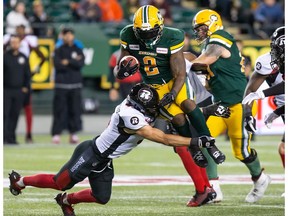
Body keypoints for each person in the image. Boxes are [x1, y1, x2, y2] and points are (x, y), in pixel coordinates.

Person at [8, 83, 218, 216]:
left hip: (104, 161)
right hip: (91, 153)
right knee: (58, 182)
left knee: (101, 197)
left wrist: (207, 110)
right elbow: (161, 137)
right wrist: (195, 142)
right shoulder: (130, 114)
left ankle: (66, 200)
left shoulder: (137, 106)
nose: (154, 110)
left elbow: (175, 114)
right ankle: (20, 181)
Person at [114, 5, 225, 207]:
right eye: (143, 33)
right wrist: (121, 71)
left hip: (178, 88)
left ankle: (205, 186)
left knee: (183, 133)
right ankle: (205, 187)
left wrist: (173, 93)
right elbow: (119, 69)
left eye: (151, 32)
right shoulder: (128, 35)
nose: (147, 37)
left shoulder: (176, 44)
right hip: (154, 89)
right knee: (181, 131)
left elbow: (182, 72)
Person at [189, 9, 271, 203]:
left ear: (211, 24)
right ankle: (214, 188)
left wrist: (185, 64)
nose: (199, 32)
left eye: (201, 28)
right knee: (205, 141)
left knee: (241, 151)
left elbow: (208, 59)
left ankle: (260, 178)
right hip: (219, 104)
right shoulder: (208, 45)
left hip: (238, 103)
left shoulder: (220, 38)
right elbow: (210, 79)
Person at [242, 27, 285, 175]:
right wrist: (248, 115)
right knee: (284, 148)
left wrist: (262, 94)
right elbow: (250, 90)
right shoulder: (267, 61)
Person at [4, 24, 46, 143]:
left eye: (22, 30)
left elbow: (41, 57)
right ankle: (4, 136)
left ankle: (19, 136)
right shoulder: (5, 54)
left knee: (18, 112)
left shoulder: (28, 45)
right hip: (7, 87)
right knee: (5, 113)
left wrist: (28, 81)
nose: (20, 32)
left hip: (20, 86)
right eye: (18, 30)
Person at [52, 27, 85, 145]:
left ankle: (73, 133)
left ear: (73, 36)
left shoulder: (78, 49)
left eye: (70, 34)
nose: (68, 37)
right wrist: (73, 61)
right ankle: (56, 134)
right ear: (63, 36)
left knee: (75, 110)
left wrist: (68, 61)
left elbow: (81, 64)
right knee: (59, 110)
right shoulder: (58, 50)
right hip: (61, 85)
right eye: (66, 35)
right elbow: (57, 65)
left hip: (75, 85)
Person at [4, 35, 31, 144]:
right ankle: (4, 137)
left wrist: (25, 87)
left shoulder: (23, 57)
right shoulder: (5, 57)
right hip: (6, 90)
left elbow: (27, 74)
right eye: (12, 42)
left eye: (16, 42)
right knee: (5, 114)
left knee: (15, 114)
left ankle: (11, 137)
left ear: (20, 44)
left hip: (19, 90)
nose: (14, 44)